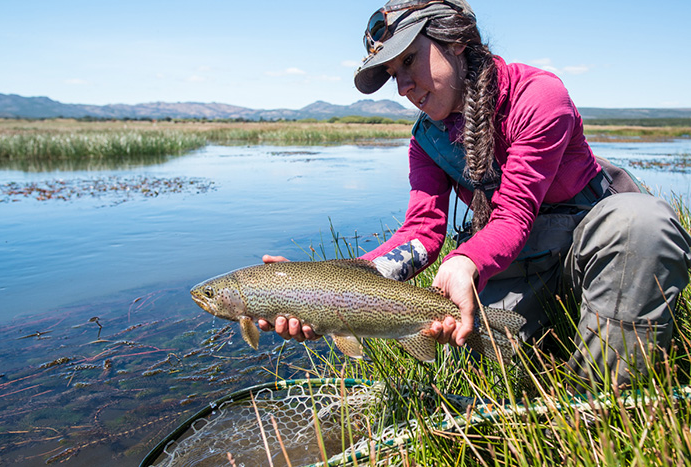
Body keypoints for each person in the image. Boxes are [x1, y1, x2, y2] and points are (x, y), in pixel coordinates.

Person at [261, 0, 691, 389]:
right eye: (394, 74)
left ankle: (601, 405)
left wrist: (466, 259)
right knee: (497, 366)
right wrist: (330, 285)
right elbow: (421, 235)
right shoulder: (425, 141)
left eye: (410, 60)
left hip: (590, 249)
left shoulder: (538, 95)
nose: (403, 87)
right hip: (513, 261)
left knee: (642, 223)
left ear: (459, 42)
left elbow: (513, 215)